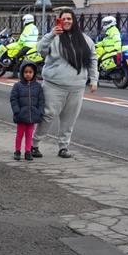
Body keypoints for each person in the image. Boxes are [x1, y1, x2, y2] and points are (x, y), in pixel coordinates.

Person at [31, 9, 98, 159]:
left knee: (69, 119)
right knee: (47, 115)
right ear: (59, 20)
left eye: (69, 18)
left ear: (74, 21)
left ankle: (63, 146)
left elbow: (93, 60)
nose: (67, 21)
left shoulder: (85, 40)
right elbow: (40, 50)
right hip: (54, 85)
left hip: (77, 87)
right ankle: (34, 144)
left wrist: (94, 80)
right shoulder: (54, 38)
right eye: (64, 19)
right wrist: (51, 34)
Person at [9, 63, 44, 161]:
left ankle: (28, 151)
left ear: (34, 73)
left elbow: (41, 101)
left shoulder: (38, 87)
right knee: (19, 134)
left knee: (29, 135)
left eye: (30, 72)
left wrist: (39, 111)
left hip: (32, 116)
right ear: (22, 73)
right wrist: (17, 111)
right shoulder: (17, 86)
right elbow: (13, 99)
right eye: (25, 72)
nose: (28, 74)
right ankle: (17, 151)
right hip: (21, 116)